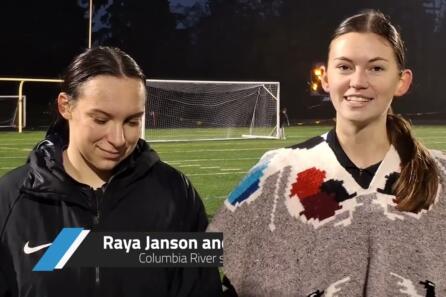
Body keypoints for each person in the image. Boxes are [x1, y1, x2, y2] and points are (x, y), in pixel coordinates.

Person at [209, 10, 446, 297]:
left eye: (376, 68)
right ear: (326, 78)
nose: (358, 81)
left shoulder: (439, 175)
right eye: (345, 67)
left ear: (402, 81)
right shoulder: (277, 171)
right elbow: (199, 255)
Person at [0, 46, 221, 297]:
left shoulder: (177, 192)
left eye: (132, 121)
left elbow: (203, 288)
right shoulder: (10, 198)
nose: (118, 139)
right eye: (101, 120)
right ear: (65, 106)